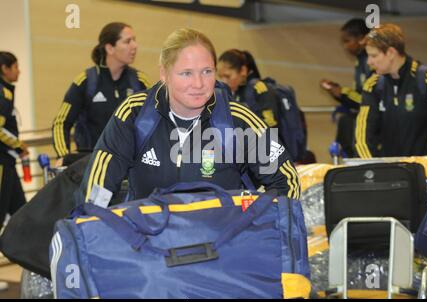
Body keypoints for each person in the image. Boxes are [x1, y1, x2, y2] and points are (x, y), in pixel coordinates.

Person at [75, 28, 300, 205]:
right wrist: (92, 229)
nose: (199, 84)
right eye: (186, 73)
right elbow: (98, 186)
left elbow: (286, 182)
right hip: (150, 250)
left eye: (207, 71)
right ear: (164, 74)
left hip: (222, 253)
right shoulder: (134, 114)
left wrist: (253, 222)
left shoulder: (239, 120)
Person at [52, 22, 151, 159]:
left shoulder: (140, 82)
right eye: (128, 41)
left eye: (134, 40)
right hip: (91, 163)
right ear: (110, 48)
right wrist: (63, 157)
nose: (135, 46)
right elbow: (61, 123)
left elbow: (155, 121)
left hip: (130, 164)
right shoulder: (85, 81)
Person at [354, 23, 427, 158]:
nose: (369, 62)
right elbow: (362, 138)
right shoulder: (373, 86)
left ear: (391, 53)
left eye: (374, 56)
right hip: (391, 173)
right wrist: (371, 168)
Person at [320, 18, 372, 158]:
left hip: (374, 122)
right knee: (345, 121)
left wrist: (342, 92)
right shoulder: (360, 62)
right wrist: (337, 91)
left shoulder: (371, 61)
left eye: (347, 41)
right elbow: (357, 96)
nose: (345, 46)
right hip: (361, 117)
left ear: (361, 39)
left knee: (347, 122)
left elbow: (367, 99)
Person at [217, 49, 280, 129]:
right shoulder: (236, 92)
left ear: (243, 70)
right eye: (220, 76)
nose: (223, 81)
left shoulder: (260, 89)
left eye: (227, 76)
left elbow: (270, 127)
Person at [0, 52, 28, 226]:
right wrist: (19, 146)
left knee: (21, 212)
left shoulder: (5, 91)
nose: (19, 71)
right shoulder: (3, 94)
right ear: (5, 68)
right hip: (2, 161)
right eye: (16, 66)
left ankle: (22, 252)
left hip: (8, 161)